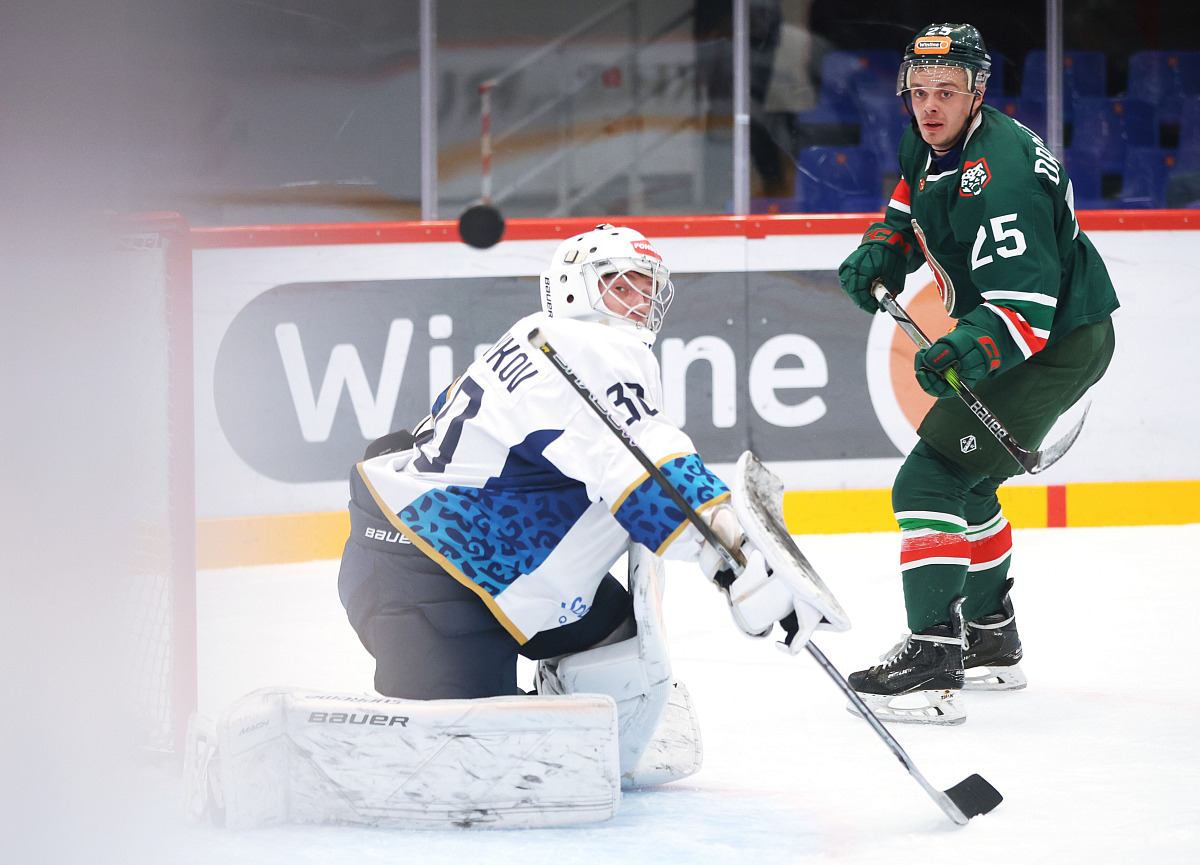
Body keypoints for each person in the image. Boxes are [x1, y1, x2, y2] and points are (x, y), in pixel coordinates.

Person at [337, 224, 799, 706]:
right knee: (477, 747)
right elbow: (643, 464)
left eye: (648, 289)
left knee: (617, 639)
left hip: (478, 564)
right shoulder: (583, 347)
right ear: (572, 289)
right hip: (432, 581)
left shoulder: (540, 339)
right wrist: (729, 552)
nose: (640, 302)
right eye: (622, 286)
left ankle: (562, 713)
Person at [835, 23, 1119, 725]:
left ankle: (934, 660)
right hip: (1044, 330)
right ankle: (991, 638)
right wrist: (884, 248)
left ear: (978, 93)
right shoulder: (930, 139)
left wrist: (965, 349)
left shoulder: (1003, 174)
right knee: (969, 480)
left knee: (929, 480)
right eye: (920, 91)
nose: (930, 106)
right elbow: (910, 203)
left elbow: (1026, 310)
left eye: (948, 91)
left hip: (1058, 340)